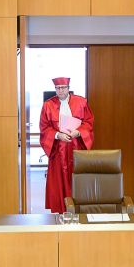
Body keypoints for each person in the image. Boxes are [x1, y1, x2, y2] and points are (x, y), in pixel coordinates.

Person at [38, 77, 94, 213]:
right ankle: (62, 211)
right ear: (55, 89)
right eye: (58, 88)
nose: (60, 90)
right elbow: (44, 128)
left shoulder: (81, 102)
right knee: (59, 181)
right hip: (58, 150)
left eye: (63, 87)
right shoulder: (48, 105)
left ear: (68, 88)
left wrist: (79, 132)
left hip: (77, 148)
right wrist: (58, 135)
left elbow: (89, 122)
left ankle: (79, 210)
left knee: (77, 179)